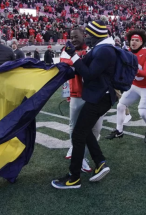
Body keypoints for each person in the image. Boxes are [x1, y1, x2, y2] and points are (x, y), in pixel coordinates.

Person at [52, 21, 117, 189]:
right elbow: (82, 66)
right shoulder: (101, 49)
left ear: (96, 36)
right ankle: (100, 162)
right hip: (98, 96)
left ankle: (74, 178)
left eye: (89, 35)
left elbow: (88, 74)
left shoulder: (104, 51)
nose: (87, 38)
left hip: (99, 98)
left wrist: (73, 56)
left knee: (78, 135)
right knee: (84, 130)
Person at [62, 27, 105, 173]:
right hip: (76, 93)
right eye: (71, 36)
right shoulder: (66, 49)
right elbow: (66, 68)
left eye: (76, 36)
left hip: (94, 95)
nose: (73, 39)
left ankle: (77, 152)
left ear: (84, 36)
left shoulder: (94, 49)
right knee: (74, 126)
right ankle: (80, 158)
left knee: (96, 129)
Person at [106, 29, 146, 143]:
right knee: (120, 106)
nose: (134, 42)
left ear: (142, 42)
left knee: (142, 111)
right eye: (132, 40)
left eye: (137, 40)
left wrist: (132, 69)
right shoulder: (127, 52)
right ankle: (119, 130)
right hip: (134, 85)